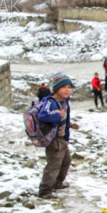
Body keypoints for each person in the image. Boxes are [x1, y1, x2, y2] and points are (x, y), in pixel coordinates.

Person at [37, 72, 73, 200]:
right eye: (64, 87)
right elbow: (43, 116)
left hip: (62, 139)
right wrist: (58, 115)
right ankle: (44, 191)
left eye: (69, 87)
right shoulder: (50, 102)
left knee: (66, 161)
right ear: (56, 88)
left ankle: (58, 183)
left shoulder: (64, 101)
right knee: (53, 165)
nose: (67, 90)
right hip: (54, 140)